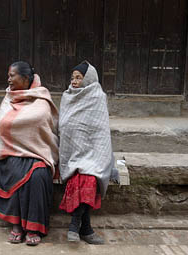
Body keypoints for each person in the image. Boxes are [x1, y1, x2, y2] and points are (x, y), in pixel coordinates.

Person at [0, 61, 59, 246]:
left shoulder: (41, 98)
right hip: (11, 152)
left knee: (38, 175)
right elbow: (0, 125)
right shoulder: (8, 97)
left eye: (12, 75)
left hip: (38, 152)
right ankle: (16, 224)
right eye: (8, 75)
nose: (8, 79)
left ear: (25, 79)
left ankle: (33, 228)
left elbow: (45, 126)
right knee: (13, 173)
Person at [58, 61, 116, 245]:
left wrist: (96, 157)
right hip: (73, 153)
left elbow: (100, 131)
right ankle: (86, 230)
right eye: (72, 77)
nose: (74, 81)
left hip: (95, 153)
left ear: (88, 79)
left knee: (90, 177)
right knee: (79, 177)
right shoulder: (67, 96)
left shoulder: (97, 97)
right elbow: (64, 126)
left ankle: (74, 226)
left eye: (79, 78)